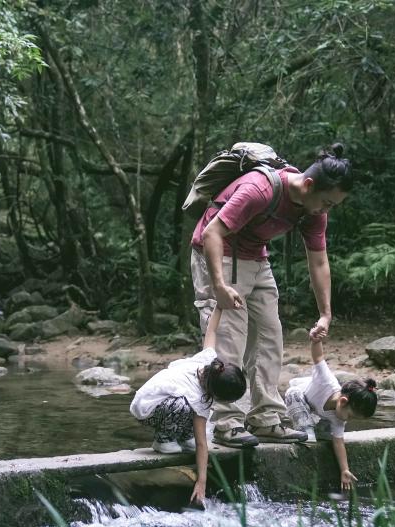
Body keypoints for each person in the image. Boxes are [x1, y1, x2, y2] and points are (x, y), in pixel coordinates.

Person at [191, 142, 353, 448]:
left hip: (255, 256)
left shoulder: (313, 210)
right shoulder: (260, 189)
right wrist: (220, 286)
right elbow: (212, 232)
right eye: (327, 203)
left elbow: (319, 260)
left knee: (270, 335)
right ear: (308, 185)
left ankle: (265, 417)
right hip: (218, 252)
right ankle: (227, 422)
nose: (326, 210)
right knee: (229, 337)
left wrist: (325, 312)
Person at [130, 307, 246, 505]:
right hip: (146, 408)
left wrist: (220, 306)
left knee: (185, 408)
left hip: (162, 400)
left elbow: (211, 331)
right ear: (216, 392)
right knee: (183, 407)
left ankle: (183, 436)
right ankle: (163, 440)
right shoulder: (198, 396)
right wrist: (201, 481)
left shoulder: (209, 363)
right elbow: (202, 444)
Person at [285, 332, 378, 491]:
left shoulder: (338, 417)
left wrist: (344, 470)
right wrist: (316, 340)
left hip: (312, 413)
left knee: (327, 433)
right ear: (343, 402)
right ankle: (305, 430)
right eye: (350, 415)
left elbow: (338, 441)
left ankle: (308, 430)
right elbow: (319, 358)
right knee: (294, 395)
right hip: (298, 398)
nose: (347, 420)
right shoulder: (327, 381)